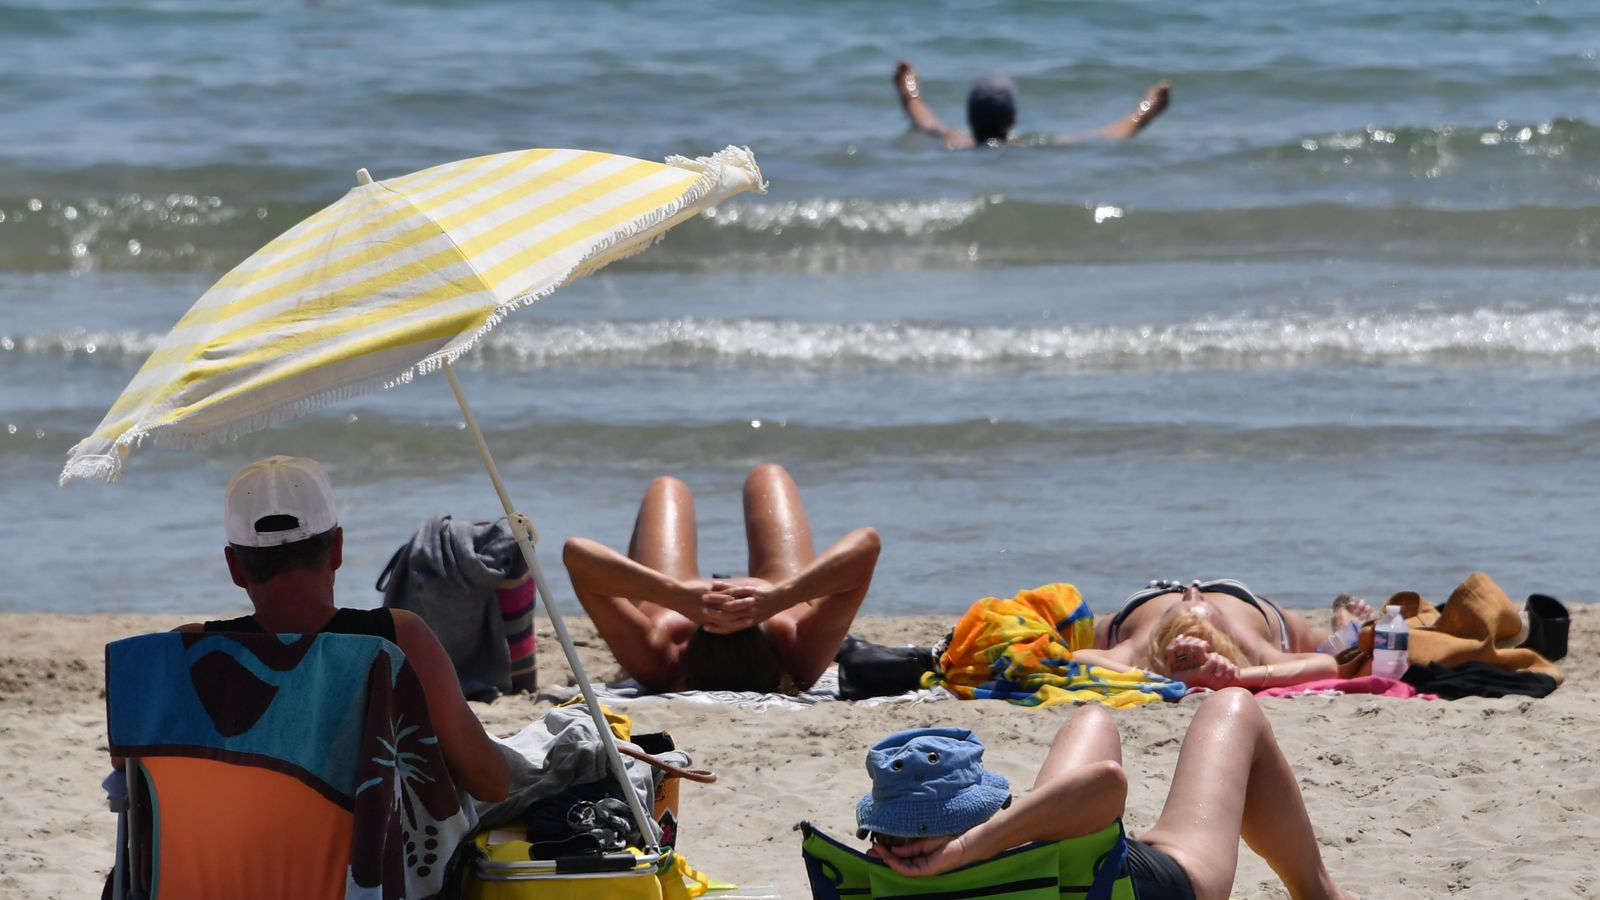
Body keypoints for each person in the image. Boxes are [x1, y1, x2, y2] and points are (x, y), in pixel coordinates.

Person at [181, 455, 510, 803]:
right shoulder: (400, 639)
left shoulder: (184, 651)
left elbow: (131, 766)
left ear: (234, 566)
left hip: (229, 853)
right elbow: (490, 782)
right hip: (369, 855)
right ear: (337, 548)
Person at [857, 691, 1354, 900]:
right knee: (1232, 707)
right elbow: (1107, 782)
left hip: (1066, 874)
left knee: (1093, 718)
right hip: (1153, 883)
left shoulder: (879, 876)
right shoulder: (991, 844)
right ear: (978, 812)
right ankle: (1320, 893)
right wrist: (969, 846)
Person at [563, 463, 880, 693]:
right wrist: (782, 597)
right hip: (773, 591)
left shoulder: (659, 660)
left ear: (683, 667)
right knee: (769, 474)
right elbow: (867, 544)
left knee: (667, 487)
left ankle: (669, 586)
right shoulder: (799, 657)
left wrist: (675, 595)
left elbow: (578, 555)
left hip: (675, 597)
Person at [1075, 579, 1375, 690]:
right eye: (1190, 599)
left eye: (1196, 599)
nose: (1192, 592)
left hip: (1238, 604)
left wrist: (1236, 677)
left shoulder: (1244, 641)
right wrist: (1175, 680)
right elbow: (1077, 657)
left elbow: (1327, 665)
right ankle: (1344, 631)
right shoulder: (1146, 646)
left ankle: (1342, 627)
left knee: (1316, 640)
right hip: (1149, 602)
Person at [894, 58, 1169, 150]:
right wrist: (1147, 109)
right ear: (1013, 118)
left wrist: (908, 86)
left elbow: (922, 118)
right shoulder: (1031, 148)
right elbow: (1111, 134)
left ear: (969, 117)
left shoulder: (955, 143)